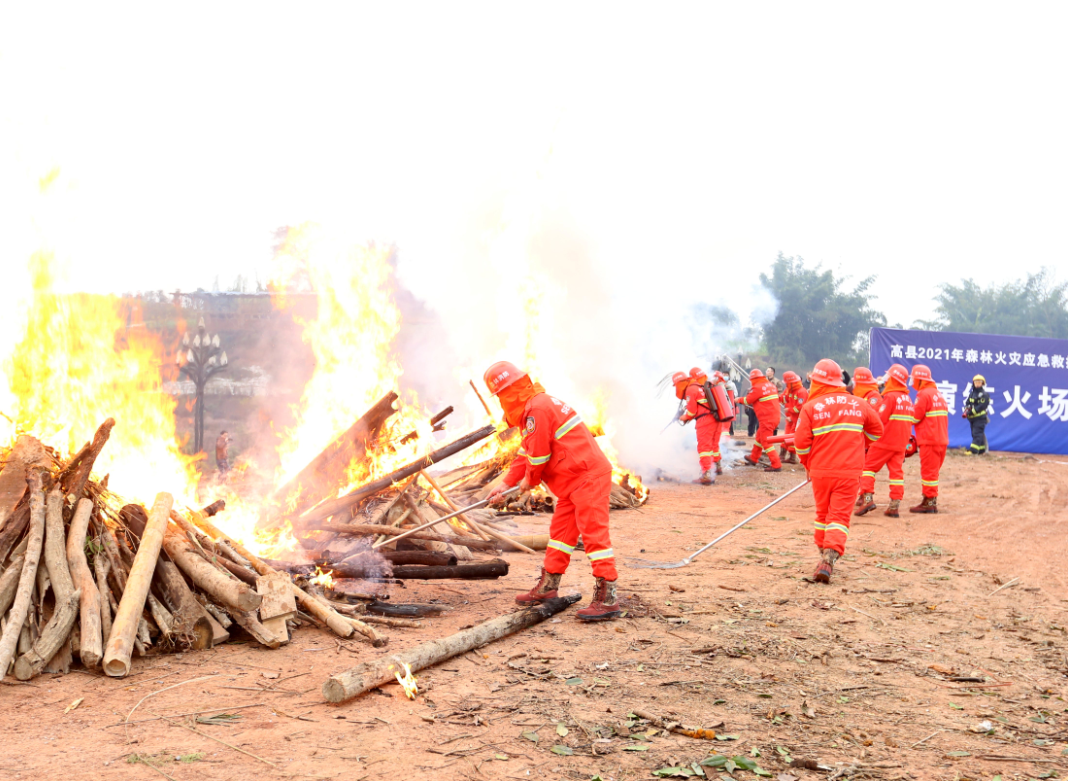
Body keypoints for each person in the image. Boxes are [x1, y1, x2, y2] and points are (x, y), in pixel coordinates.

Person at [483, 361, 620, 621]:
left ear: (508, 392)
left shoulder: (537, 409)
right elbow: (526, 452)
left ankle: (608, 598)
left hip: (586, 477)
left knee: (594, 536)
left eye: (501, 395)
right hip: (573, 480)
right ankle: (548, 587)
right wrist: (505, 484)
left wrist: (529, 482)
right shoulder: (533, 408)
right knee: (560, 536)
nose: (502, 402)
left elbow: (538, 457)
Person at [793, 359, 884, 583]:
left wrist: (807, 464)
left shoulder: (811, 407)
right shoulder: (859, 404)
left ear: (817, 382)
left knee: (823, 514)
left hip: (820, 471)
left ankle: (822, 553)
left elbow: (801, 444)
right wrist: (861, 445)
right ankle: (829, 558)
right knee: (839, 517)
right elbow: (877, 431)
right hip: (849, 472)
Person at [855, 364, 914, 517]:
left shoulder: (890, 397)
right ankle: (894, 505)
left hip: (884, 442)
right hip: (901, 443)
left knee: (868, 468)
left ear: (893, 379)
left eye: (889, 377)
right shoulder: (907, 399)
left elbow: (880, 418)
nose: (886, 380)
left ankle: (867, 499)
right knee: (896, 474)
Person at [908, 364, 949, 513]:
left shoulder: (923, 395)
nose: (912, 381)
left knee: (928, 472)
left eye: (914, 378)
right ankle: (929, 499)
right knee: (933, 472)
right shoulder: (938, 394)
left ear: (920, 379)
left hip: (929, 439)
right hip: (941, 439)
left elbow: (915, 416)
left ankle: (929, 502)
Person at [675, 368, 718, 484]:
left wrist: (682, 418)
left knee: (703, 448)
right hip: (712, 418)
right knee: (708, 447)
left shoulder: (690, 389)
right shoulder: (699, 386)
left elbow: (691, 412)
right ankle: (710, 471)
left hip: (704, 421)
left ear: (680, 383)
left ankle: (707, 475)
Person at [737, 368, 782, 472]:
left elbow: (748, 400)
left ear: (753, 379)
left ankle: (776, 464)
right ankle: (754, 457)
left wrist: (738, 399)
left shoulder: (757, 387)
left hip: (767, 419)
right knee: (759, 438)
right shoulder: (771, 385)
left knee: (766, 442)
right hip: (774, 417)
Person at [780, 371, 808, 464]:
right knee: (788, 436)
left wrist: (789, 410)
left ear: (792, 383)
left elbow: (800, 407)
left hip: (799, 419)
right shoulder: (790, 390)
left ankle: (792, 457)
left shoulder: (801, 392)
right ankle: (786, 456)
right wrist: (774, 398)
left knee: (793, 437)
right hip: (792, 418)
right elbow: (785, 398)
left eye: (787, 383)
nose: (786, 385)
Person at [963, 374, 991, 455]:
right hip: (972, 418)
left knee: (977, 434)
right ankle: (981, 450)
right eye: (976, 382)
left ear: (982, 383)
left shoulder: (984, 394)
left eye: (979, 382)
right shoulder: (972, 393)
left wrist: (971, 412)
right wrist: (967, 408)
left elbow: (981, 406)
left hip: (980, 418)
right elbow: (968, 402)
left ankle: (973, 451)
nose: (977, 384)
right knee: (975, 434)